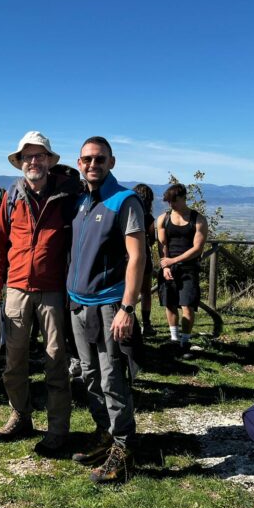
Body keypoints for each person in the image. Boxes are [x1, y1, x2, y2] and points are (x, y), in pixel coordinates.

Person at [0, 130, 81, 455]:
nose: (33, 161)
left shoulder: (68, 197)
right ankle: (20, 416)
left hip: (54, 291)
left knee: (56, 361)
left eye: (39, 155)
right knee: (13, 362)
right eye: (28, 156)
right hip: (15, 289)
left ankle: (58, 430)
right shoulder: (11, 197)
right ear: (21, 162)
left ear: (49, 160)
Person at [67, 136, 146, 483]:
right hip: (78, 305)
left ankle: (125, 448)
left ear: (111, 162)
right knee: (88, 376)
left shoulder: (125, 200)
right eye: (86, 159)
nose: (92, 165)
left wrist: (128, 307)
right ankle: (105, 433)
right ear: (79, 162)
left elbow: (138, 257)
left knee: (113, 378)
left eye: (99, 159)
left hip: (110, 305)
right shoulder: (81, 199)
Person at [157, 183, 208, 357]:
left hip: (189, 268)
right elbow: (162, 245)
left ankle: (185, 342)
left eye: (174, 201)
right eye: (169, 202)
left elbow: (198, 248)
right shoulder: (163, 219)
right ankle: (174, 339)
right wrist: (165, 266)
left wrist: (175, 260)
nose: (171, 205)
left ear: (184, 198)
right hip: (168, 268)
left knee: (187, 305)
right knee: (170, 304)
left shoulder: (198, 219)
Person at [133, 183, 157, 336]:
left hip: (126, 257)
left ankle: (131, 321)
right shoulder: (149, 218)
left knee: (129, 291)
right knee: (146, 292)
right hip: (144, 257)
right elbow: (153, 240)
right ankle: (146, 324)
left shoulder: (129, 213)